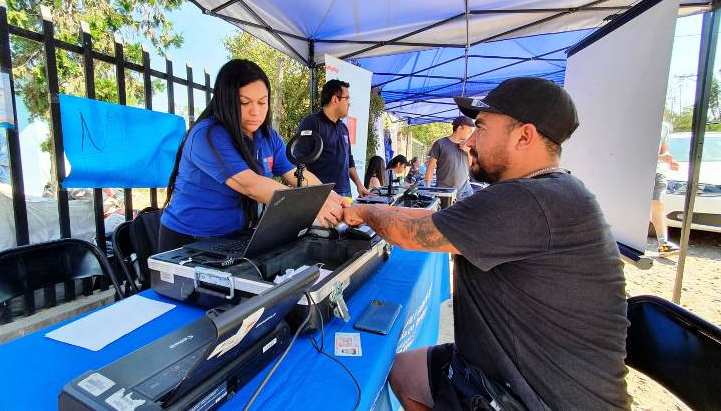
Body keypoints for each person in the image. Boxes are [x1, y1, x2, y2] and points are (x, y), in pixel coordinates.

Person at [343, 77, 630, 410]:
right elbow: (424, 221)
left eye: (481, 128)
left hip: (533, 397)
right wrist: (369, 208)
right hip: (504, 372)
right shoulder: (549, 191)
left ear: (525, 136)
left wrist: (363, 211)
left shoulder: (527, 200)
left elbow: (413, 234)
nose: (469, 142)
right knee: (405, 371)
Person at [158, 59, 345, 252]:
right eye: (244, 102)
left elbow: (298, 174)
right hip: (188, 241)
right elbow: (250, 185)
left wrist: (334, 197)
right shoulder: (207, 136)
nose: (255, 111)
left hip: (233, 236)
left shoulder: (268, 137)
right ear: (226, 101)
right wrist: (311, 205)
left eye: (262, 102)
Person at [296, 79, 369, 198]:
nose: (349, 103)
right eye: (347, 99)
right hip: (321, 195)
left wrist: (359, 185)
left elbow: (349, 160)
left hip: (346, 193)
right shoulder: (311, 123)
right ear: (335, 99)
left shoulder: (343, 128)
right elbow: (300, 160)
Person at [426, 115, 475, 200]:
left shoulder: (468, 145)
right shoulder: (440, 143)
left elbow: (471, 166)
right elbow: (430, 167)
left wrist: (468, 152)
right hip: (444, 192)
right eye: (469, 130)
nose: (470, 133)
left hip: (465, 191)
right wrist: (427, 188)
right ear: (460, 128)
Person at [651, 116, 680, 254]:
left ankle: (663, 243)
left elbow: (664, 150)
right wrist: (659, 157)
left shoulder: (665, 127)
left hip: (657, 171)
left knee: (657, 203)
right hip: (638, 169)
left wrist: (669, 159)